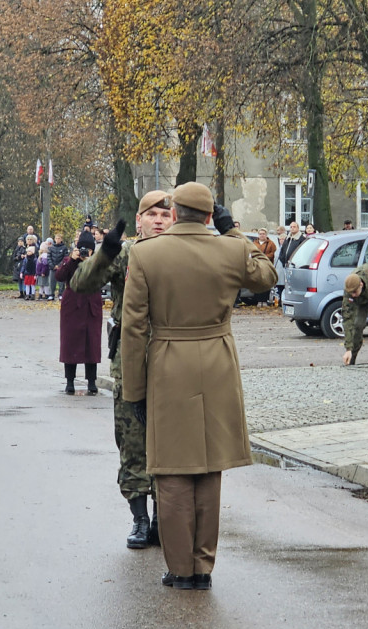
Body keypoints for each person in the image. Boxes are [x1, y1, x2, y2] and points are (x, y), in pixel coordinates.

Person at [121, 182, 277, 590]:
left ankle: (180, 569)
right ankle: (203, 567)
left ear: (173, 215)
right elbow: (266, 276)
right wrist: (233, 232)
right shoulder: (230, 249)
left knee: (172, 472)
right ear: (210, 216)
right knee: (210, 468)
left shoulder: (145, 253)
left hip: (169, 363)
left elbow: (134, 330)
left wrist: (134, 391)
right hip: (218, 363)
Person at [70, 190, 172, 548]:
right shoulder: (126, 253)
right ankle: (140, 519)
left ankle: (164, 518)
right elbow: (80, 284)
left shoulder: (180, 253)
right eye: (153, 214)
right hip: (130, 360)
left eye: (166, 215)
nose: (160, 220)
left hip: (173, 360)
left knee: (170, 443)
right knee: (132, 440)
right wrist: (105, 253)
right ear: (140, 219)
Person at [54, 247, 103, 395]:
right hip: (72, 306)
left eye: (87, 250)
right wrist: (72, 261)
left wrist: (89, 263)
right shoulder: (69, 262)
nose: (83, 253)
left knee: (92, 344)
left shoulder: (97, 262)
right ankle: (70, 381)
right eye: (80, 250)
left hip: (90, 305)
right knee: (70, 343)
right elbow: (59, 276)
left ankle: (92, 382)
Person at [277, 220, 305, 302]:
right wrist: (283, 261)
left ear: (298, 228)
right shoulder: (288, 238)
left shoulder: (301, 239)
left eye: (294, 227)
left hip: (295, 266)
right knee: (287, 284)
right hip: (286, 265)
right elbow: (282, 251)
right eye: (291, 227)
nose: (292, 228)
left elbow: (301, 252)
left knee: (294, 284)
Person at [252, 228, 277, 306]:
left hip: (267, 265)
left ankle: (265, 300)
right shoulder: (254, 243)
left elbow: (273, 254)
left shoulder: (271, 243)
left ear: (266, 235)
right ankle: (259, 300)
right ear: (258, 235)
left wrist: (263, 256)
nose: (262, 235)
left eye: (263, 234)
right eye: (260, 234)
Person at [49, 233, 69, 300]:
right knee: (52, 282)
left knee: (61, 282)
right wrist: (52, 266)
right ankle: (51, 294)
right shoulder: (51, 248)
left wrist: (59, 265)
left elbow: (65, 258)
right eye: (56, 238)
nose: (57, 240)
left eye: (59, 238)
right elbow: (49, 257)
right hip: (53, 268)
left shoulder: (64, 248)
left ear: (61, 239)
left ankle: (61, 294)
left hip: (61, 268)